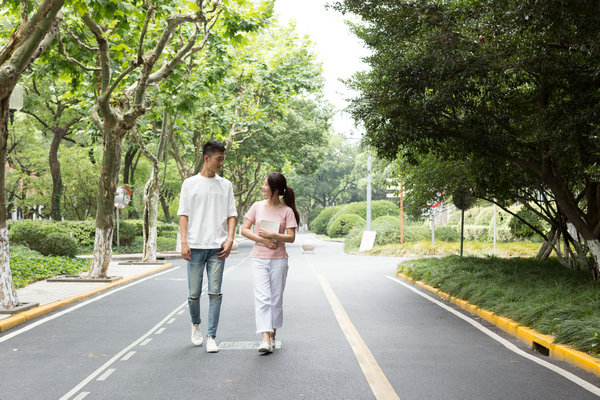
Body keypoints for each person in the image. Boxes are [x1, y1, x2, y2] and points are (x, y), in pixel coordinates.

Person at [177, 141, 237, 353]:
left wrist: (230, 239)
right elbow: (183, 214)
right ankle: (196, 325)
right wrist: (183, 242)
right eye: (218, 159)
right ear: (206, 158)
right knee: (194, 294)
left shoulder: (226, 185)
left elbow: (232, 215)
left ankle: (211, 336)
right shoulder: (189, 184)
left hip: (217, 248)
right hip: (194, 247)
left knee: (215, 293)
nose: (221, 163)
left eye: (223, 159)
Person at [241, 172, 299, 353]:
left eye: (265, 185)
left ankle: (272, 334)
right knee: (263, 299)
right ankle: (265, 339)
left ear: (274, 190)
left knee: (275, 300)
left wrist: (272, 235)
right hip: (258, 259)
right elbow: (244, 229)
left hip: (278, 261)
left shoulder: (286, 211)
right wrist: (263, 240)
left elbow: (291, 238)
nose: (262, 188)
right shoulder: (257, 206)